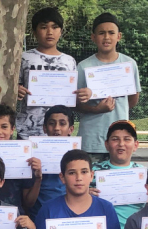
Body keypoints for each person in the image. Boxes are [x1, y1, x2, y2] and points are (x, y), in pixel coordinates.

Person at [16, 8, 89, 140]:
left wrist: (85, 94)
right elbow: (13, 88)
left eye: (54, 27)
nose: (50, 32)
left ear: (61, 31)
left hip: (59, 131)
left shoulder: (69, 61)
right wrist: (16, 90)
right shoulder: (23, 58)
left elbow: (73, 96)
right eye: (44, 27)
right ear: (34, 32)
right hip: (27, 130)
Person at [75, 13, 141, 159]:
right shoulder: (83, 67)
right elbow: (75, 104)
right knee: (90, 181)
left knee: (117, 181)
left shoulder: (129, 65)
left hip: (120, 142)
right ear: (93, 37)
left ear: (119, 36)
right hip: (91, 140)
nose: (106, 37)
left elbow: (132, 99)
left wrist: (116, 110)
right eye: (101, 33)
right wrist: (96, 109)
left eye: (111, 33)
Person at [90, 120, 145, 229]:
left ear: (135, 145)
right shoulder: (91, 171)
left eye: (127, 139)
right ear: (107, 145)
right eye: (115, 139)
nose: (121, 144)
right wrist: (84, 194)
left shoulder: (145, 174)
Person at [22, 105, 72, 220]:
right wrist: (38, 178)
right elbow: (28, 203)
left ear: (71, 129)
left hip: (67, 216)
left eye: (62, 123)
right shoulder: (32, 157)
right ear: (44, 128)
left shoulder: (77, 158)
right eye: (52, 123)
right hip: (39, 216)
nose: (57, 128)